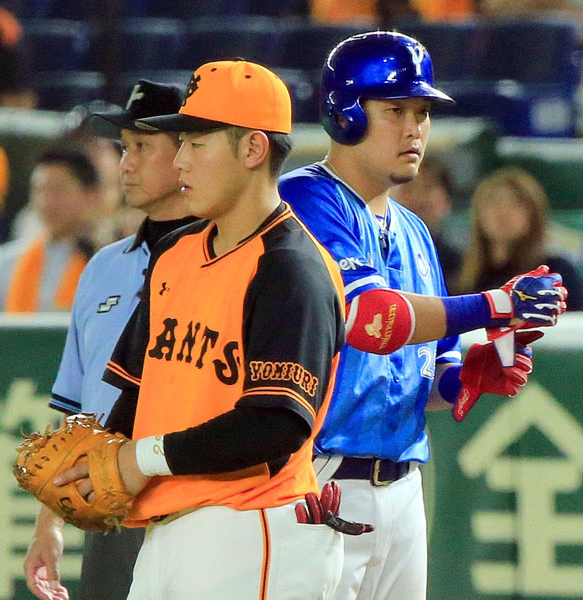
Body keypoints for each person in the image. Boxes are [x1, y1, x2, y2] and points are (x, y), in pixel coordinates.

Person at [278, 31, 566, 599]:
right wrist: (497, 304)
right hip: (317, 479)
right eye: (395, 111)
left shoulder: (414, 231)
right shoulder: (304, 197)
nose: (414, 128)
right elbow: (373, 319)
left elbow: (426, 370)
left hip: (403, 487)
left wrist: (466, 377)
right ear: (346, 113)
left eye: (422, 112)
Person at [54, 59, 347, 599]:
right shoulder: (175, 254)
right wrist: (97, 460)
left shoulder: (290, 268)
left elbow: (276, 425)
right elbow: (137, 387)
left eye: (196, 143)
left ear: (253, 149)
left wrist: (140, 458)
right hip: (166, 529)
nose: (180, 160)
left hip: (251, 528)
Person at [23, 79, 196, 600]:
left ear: (187, 153)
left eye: (142, 147)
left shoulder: (232, 260)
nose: (125, 164)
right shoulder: (102, 268)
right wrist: (49, 525)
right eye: (123, 148)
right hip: (113, 514)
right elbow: (76, 414)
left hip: (201, 510)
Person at [454, 166, 583, 309]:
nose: (503, 212)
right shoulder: (460, 274)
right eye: (493, 202)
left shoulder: (556, 274)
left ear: (534, 214)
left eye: (515, 203)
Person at [0, 147, 100, 312]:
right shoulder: (8, 263)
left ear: (90, 195)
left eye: (58, 190)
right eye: (39, 190)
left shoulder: (104, 260)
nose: (46, 202)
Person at [390, 154, 461, 286]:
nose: (417, 197)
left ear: (447, 200)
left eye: (427, 187)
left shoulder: (463, 268)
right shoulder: (383, 254)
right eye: (409, 187)